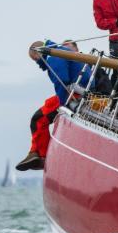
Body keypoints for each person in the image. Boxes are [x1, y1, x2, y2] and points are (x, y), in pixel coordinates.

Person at [16, 40, 91, 171]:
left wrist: (63, 106)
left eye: (36, 61)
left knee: (38, 119)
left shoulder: (53, 58)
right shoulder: (62, 51)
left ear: (38, 53)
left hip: (73, 96)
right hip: (81, 93)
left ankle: (41, 156)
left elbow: (62, 81)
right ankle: (33, 153)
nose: (39, 65)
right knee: (43, 111)